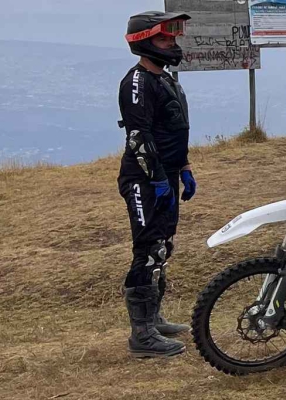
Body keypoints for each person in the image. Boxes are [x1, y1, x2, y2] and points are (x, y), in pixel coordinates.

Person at [118, 10, 195, 359]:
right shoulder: (137, 82)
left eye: (173, 37)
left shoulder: (166, 79)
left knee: (163, 246)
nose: (172, 43)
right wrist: (157, 179)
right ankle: (142, 334)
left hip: (168, 174)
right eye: (165, 38)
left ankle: (153, 318)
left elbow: (175, 130)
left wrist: (184, 167)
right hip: (144, 178)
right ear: (144, 41)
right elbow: (139, 136)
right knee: (148, 248)